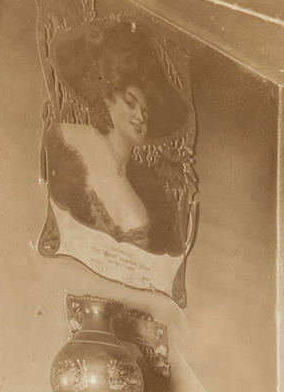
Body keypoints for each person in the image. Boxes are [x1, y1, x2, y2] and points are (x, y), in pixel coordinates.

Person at [44, 20, 188, 254]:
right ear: (107, 99)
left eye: (145, 112)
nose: (140, 116)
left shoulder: (146, 184)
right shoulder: (70, 139)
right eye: (130, 103)